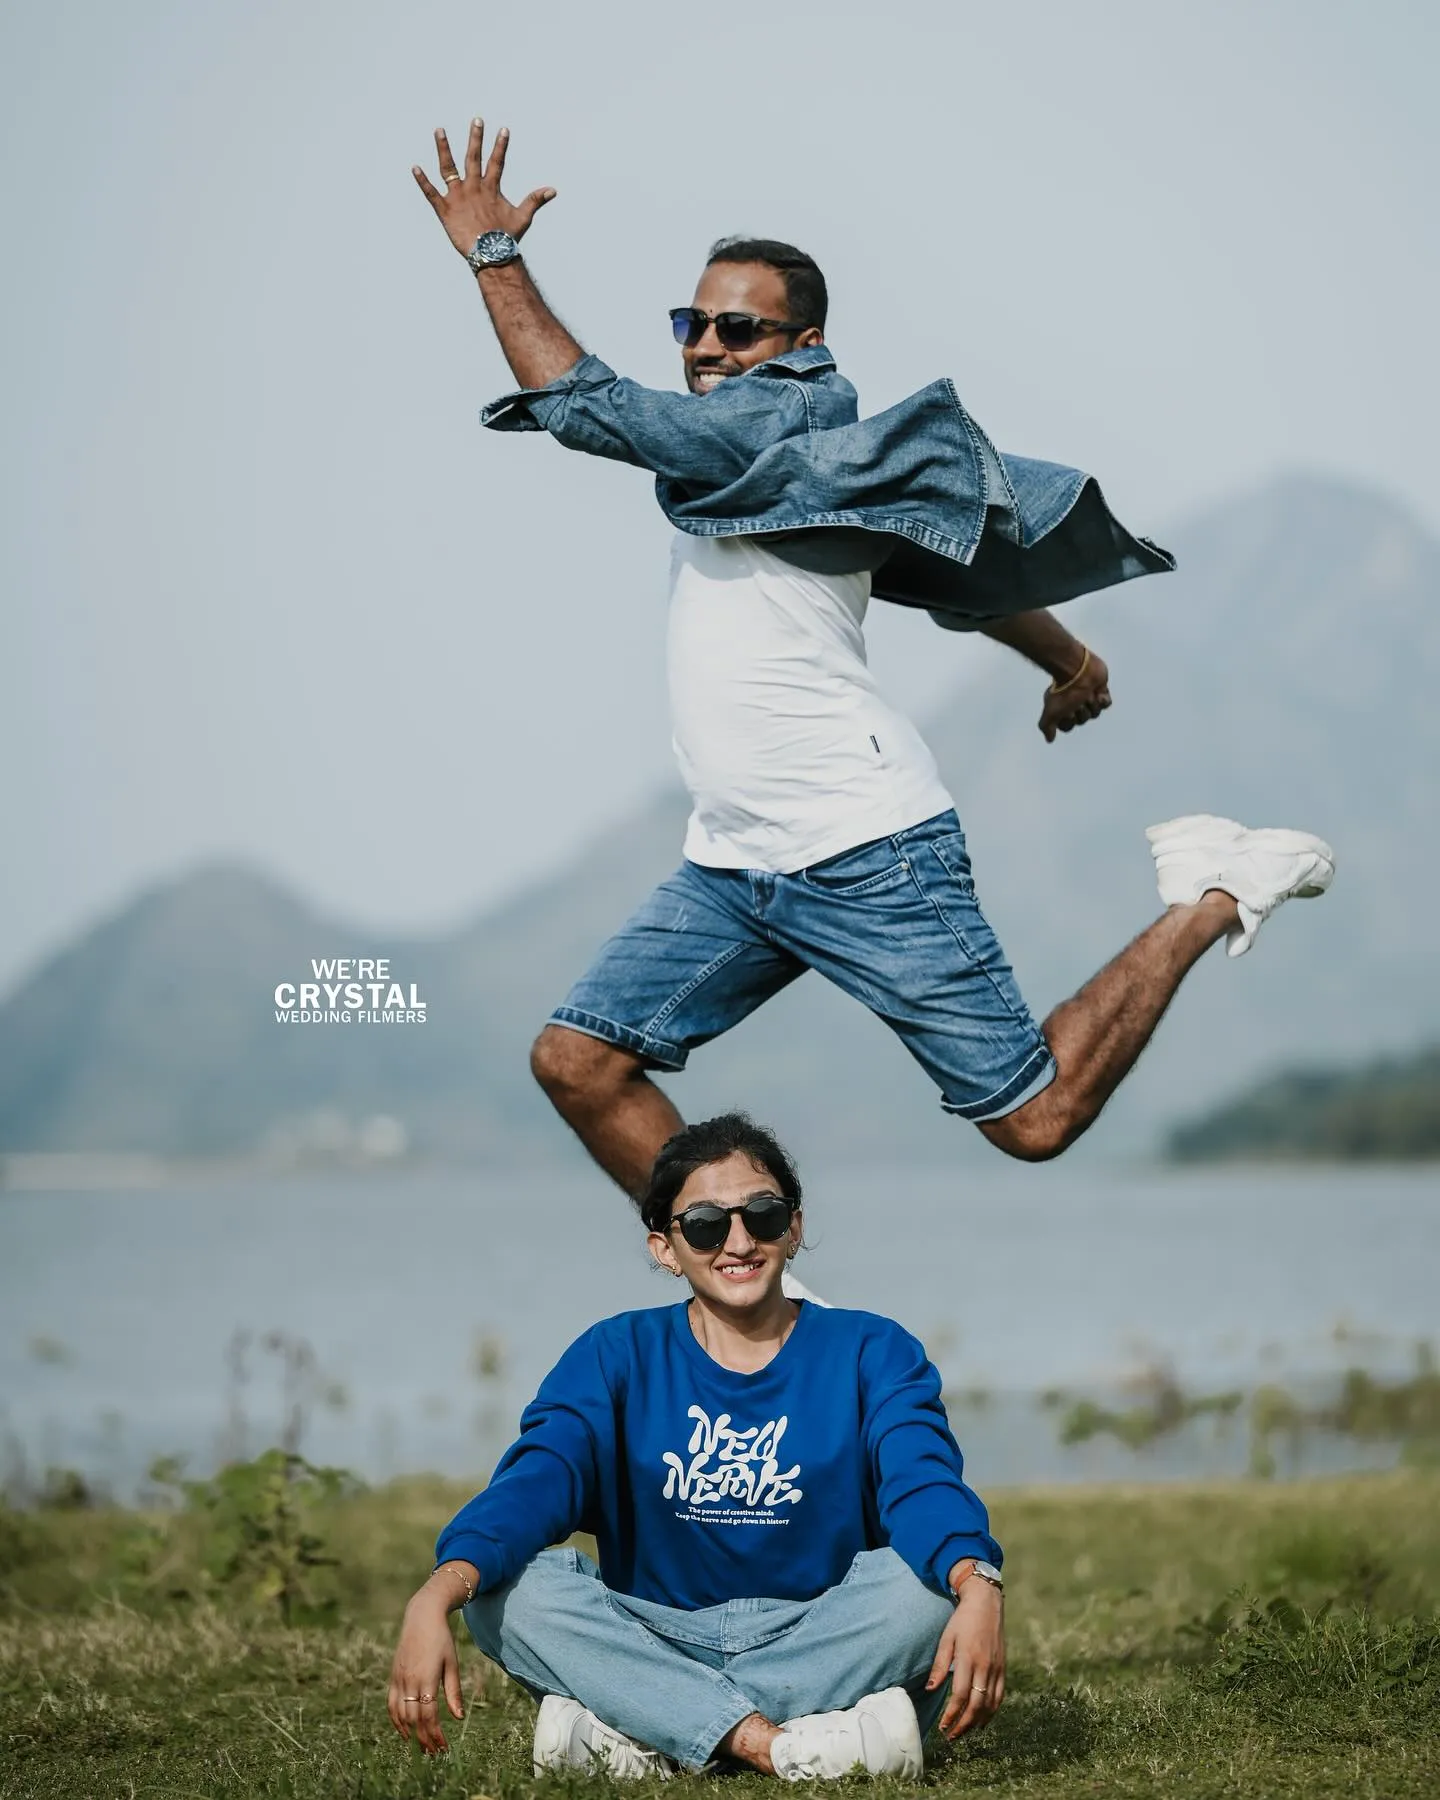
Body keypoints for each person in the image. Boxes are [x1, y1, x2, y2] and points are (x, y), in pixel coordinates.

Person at [411, 119, 1335, 1197]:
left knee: (1035, 1118)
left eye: (737, 330)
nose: (706, 347)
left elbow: (592, 412)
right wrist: (1067, 656)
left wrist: (495, 254)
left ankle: (1219, 888)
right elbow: (935, 567)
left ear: (802, 350)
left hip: (865, 846)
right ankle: (747, 1266)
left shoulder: (782, 421)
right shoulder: (792, 475)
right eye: (691, 323)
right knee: (579, 1064)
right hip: (735, 860)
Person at [387, 1113, 1006, 1777]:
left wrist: (978, 1583)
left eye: (763, 1215)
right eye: (707, 1224)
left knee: (926, 1592)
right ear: (664, 1247)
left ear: (794, 1228)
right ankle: (785, 1745)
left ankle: (647, 1732)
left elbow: (923, 1480)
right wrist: (437, 1592)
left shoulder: (872, 1349)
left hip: (822, 1633)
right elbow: (538, 1479)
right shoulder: (615, 1353)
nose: (738, 1241)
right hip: (652, 1633)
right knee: (507, 1592)